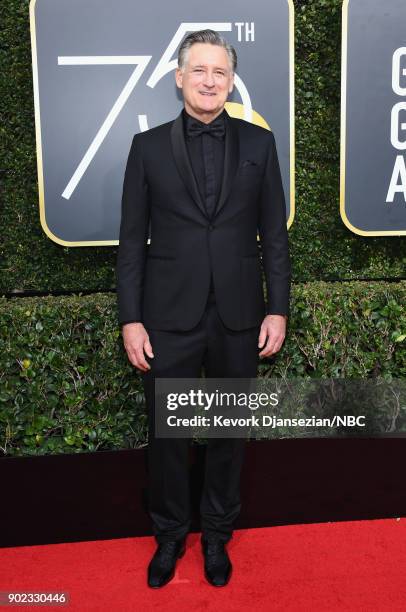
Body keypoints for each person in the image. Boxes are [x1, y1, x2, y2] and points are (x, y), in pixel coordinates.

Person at [116, 29, 291, 588]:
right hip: (167, 316)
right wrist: (131, 318)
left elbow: (274, 236)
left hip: (240, 314)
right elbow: (130, 241)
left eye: (219, 71)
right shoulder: (146, 149)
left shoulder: (260, 145)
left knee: (227, 433)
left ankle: (217, 536)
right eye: (199, 70)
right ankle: (169, 537)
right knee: (167, 434)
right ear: (179, 78)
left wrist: (277, 308)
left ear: (231, 79)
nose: (210, 81)